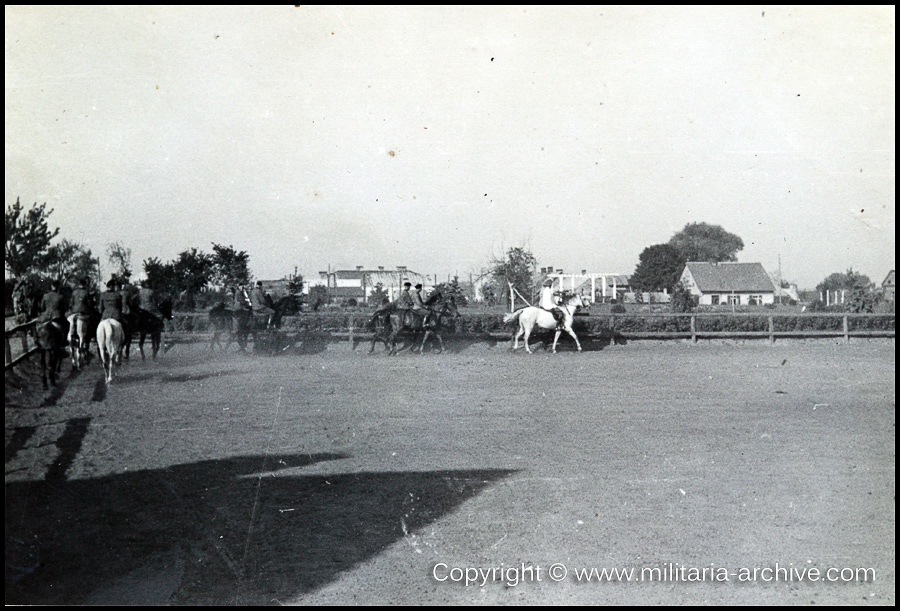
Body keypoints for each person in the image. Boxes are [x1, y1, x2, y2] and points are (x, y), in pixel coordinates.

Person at [67, 277, 96, 344]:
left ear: (78, 284)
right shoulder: (86, 292)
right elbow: (89, 304)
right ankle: (93, 336)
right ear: (85, 284)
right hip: (84, 312)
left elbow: (71, 303)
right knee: (93, 320)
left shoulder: (74, 292)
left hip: (74, 312)